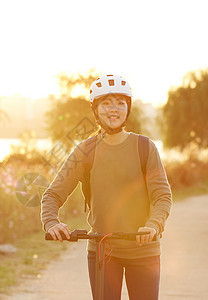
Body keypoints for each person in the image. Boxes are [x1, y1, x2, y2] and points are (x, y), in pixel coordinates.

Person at [41, 74, 172, 300]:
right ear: (95, 110)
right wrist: (51, 221)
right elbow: (52, 194)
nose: (114, 109)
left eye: (120, 103)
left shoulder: (144, 147)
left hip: (144, 250)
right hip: (102, 250)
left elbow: (162, 196)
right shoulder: (85, 151)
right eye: (106, 103)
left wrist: (153, 224)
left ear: (127, 109)